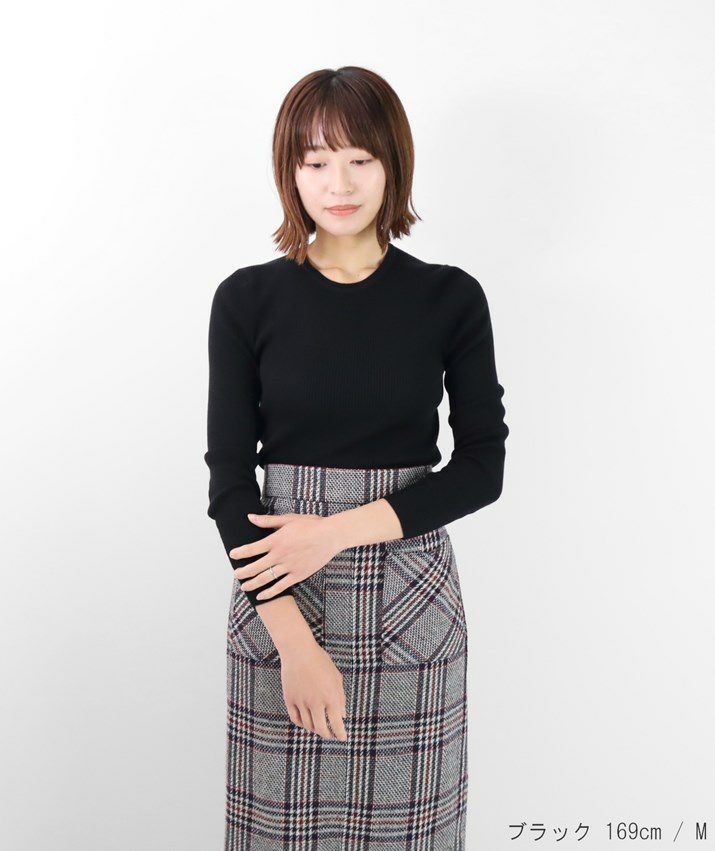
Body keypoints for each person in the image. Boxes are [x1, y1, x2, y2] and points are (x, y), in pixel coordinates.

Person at [204, 65, 509, 850]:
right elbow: (230, 482)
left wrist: (333, 532)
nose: (337, 183)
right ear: (290, 171)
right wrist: (293, 642)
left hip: (408, 603)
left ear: (391, 163)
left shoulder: (449, 297)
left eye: (358, 159)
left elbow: (482, 466)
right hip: (278, 594)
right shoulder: (246, 299)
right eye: (314, 161)